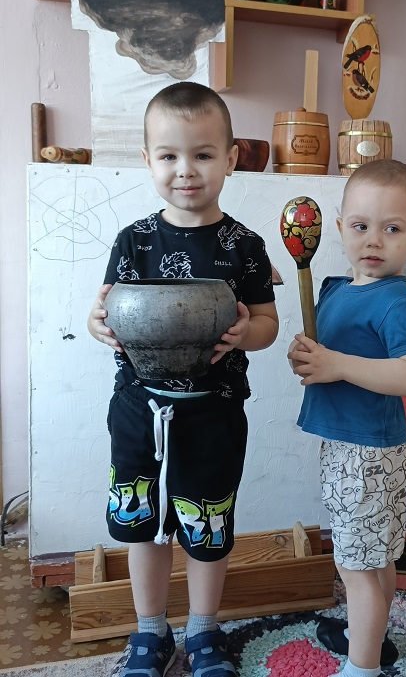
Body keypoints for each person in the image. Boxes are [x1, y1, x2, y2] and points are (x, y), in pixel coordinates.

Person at [87, 81, 279, 677]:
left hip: (214, 410)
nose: (185, 170)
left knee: (206, 521)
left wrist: (245, 332)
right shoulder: (133, 241)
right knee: (139, 522)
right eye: (169, 155)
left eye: (202, 154)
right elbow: (106, 312)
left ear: (231, 158)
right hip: (137, 407)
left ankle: (202, 629)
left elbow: (268, 325)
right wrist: (95, 323)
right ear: (148, 160)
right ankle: (150, 631)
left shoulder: (245, 246)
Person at [288, 159, 406, 677]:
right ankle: (369, 635)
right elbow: (330, 358)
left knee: (355, 566)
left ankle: (363, 667)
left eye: (392, 229)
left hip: (365, 453)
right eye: (360, 225)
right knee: (377, 556)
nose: (374, 239)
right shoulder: (335, 289)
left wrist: (337, 365)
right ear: (339, 226)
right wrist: (310, 359)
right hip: (358, 446)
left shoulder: (395, 302)